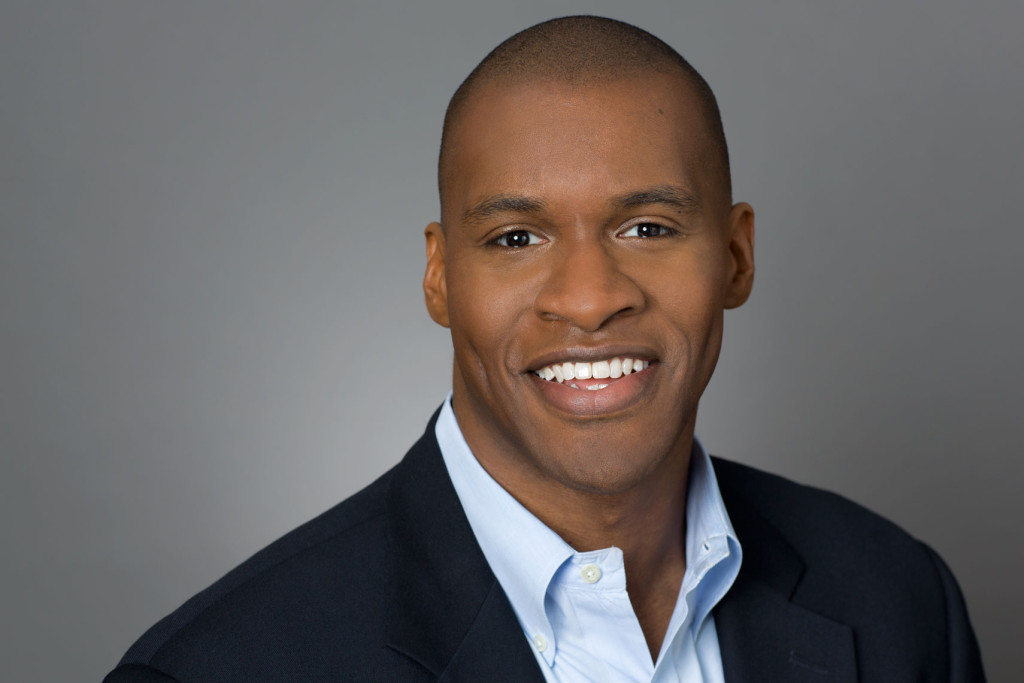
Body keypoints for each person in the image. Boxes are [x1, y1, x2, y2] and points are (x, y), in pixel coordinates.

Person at [105, 15, 984, 682]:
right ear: (440, 277)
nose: (591, 298)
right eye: (517, 238)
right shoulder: (217, 668)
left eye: (647, 225)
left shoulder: (901, 601)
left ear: (735, 254)